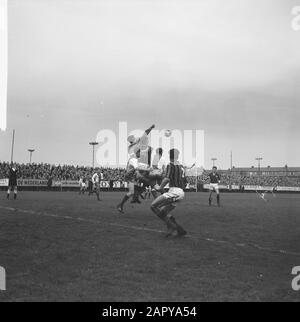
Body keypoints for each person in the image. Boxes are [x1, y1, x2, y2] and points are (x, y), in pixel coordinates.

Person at [151, 149, 187, 237]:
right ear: (177, 156)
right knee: (164, 211)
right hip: (180, 192)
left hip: (174, 192)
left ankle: (172, 227)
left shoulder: (170, 165)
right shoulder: (180, 166)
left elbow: (167, 178)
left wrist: (159, 187)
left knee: (153, 206)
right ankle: (179, 229)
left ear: (169, 155)